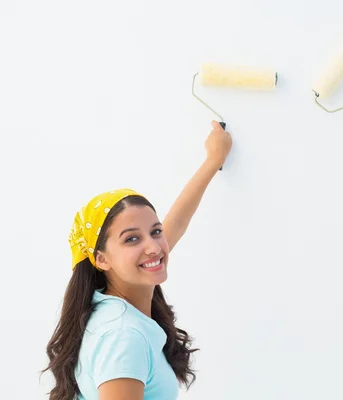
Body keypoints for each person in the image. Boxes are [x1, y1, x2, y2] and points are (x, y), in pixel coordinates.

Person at [43, 121, 232, 400]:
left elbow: (176, 223)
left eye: (155, 232)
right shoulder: (123, 336)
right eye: (132, 239)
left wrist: (213, 160)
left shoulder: (109, 305)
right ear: (102, 259)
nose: (154, 247)